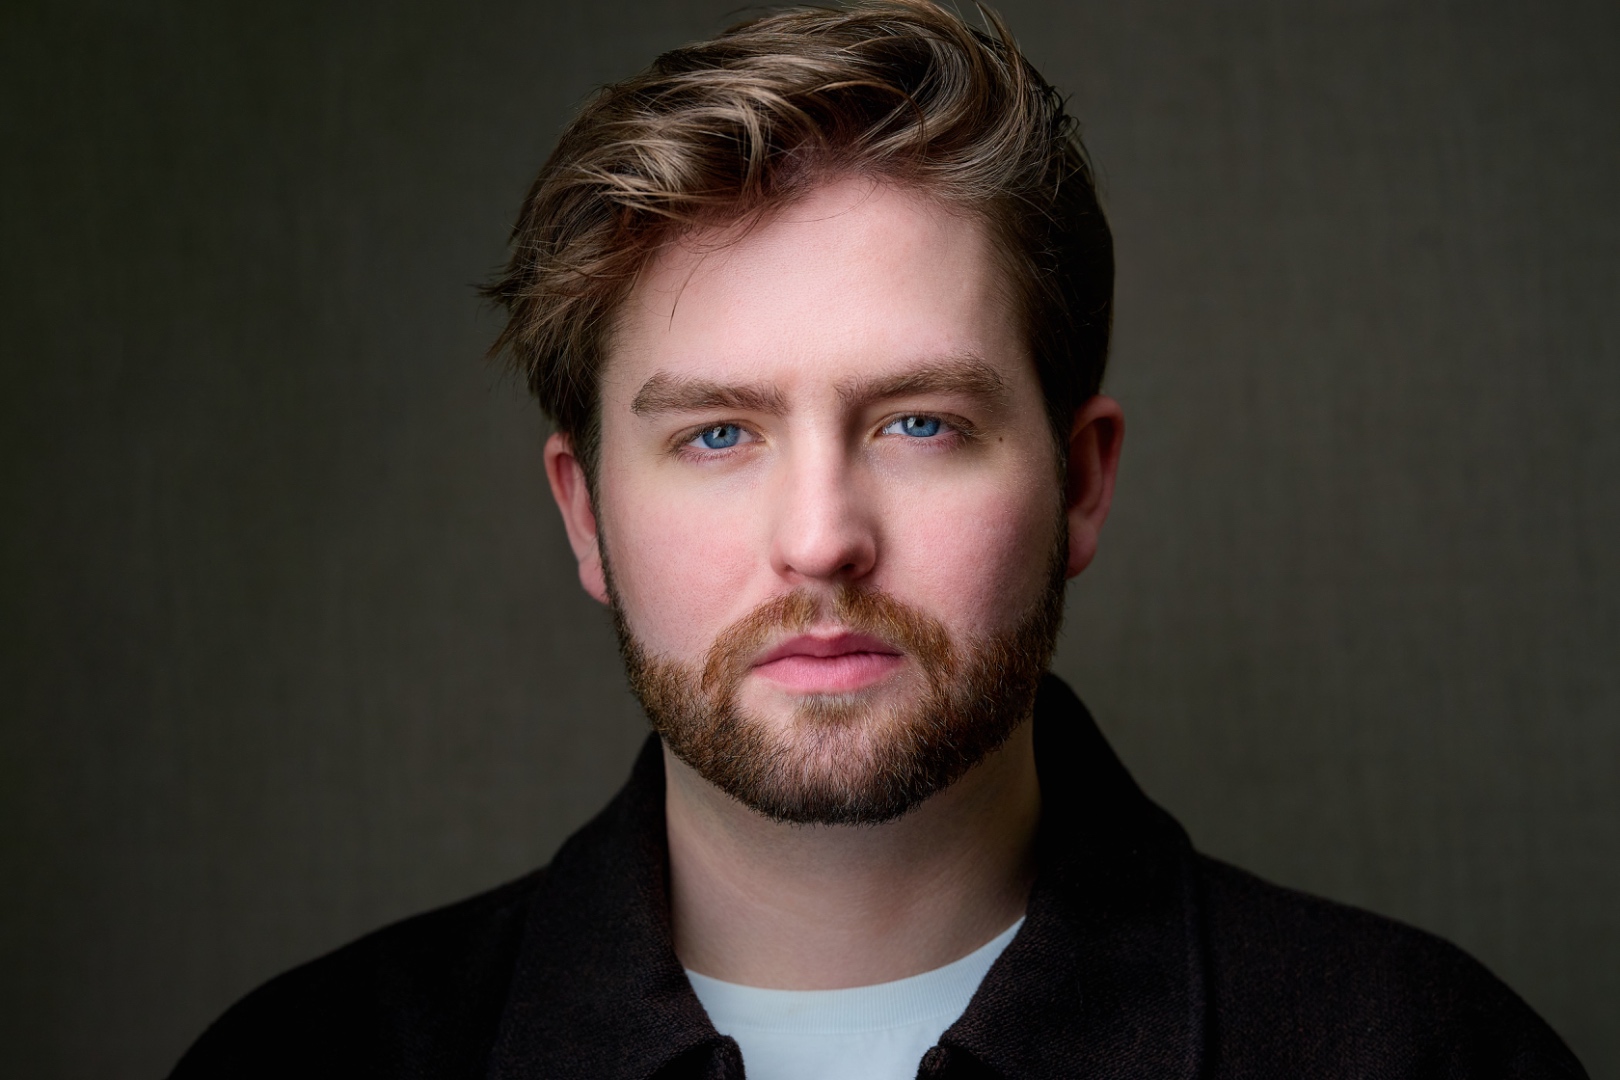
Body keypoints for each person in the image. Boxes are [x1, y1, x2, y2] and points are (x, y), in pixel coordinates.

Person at [171, 2, 1585, 1077]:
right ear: (585, 515)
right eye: (716, 435)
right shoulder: (304, 1058)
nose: (821, 540)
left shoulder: (1422, 1050)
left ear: (1082, 484)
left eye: (918, 423)